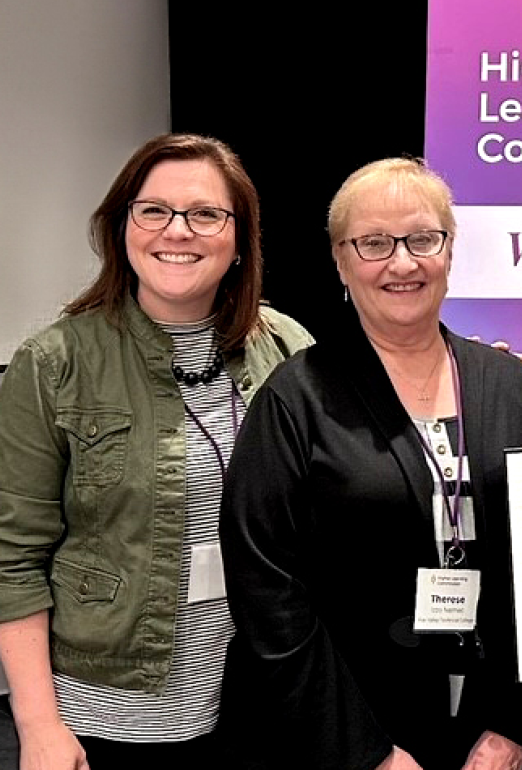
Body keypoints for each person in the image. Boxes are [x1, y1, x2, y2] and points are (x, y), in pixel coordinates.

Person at [219, 158, 522, 770]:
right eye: (374, 243)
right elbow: (268, 595)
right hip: (349, 739)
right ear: (341, 261)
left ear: (449, 251)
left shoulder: (512, 389)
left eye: (422, 239)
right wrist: (366, 752)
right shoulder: (295, 400)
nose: (402, 263)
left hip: (490, 737)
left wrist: (513, 723)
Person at [0, 134, 314, 768]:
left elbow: (360, 449)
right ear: (124, 226)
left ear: (237, 239)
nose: (178, 231)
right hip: (105, 720)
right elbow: (12, 560)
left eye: (205, 214)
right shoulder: (54, 363)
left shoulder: (286, 347)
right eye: (154, 210)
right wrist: (38, 727)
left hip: (257, 702)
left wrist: (454, 374)